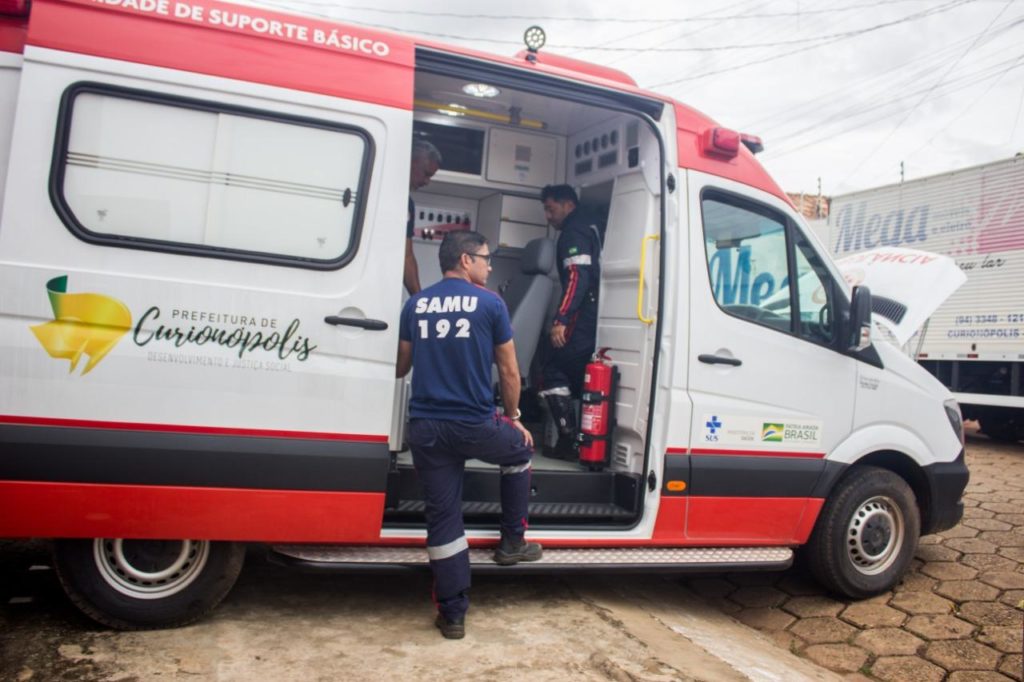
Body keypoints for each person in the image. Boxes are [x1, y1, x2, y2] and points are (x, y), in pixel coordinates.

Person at [396, 231, 543, 640]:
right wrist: (513, 416)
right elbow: (510, 371)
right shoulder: (492, 303)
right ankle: (512, 541)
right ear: (465, 260)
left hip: (425, 428)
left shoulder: (416, 304)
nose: (489, 265)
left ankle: (454, 614)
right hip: (475, 425)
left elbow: (401, 367)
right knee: (520, 451)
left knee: (444, 518)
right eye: (485, 258)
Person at [537, 184, 603, 458]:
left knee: (551, 368)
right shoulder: (589, 224)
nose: (548, 217)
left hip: (582, 314)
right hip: (591, 311)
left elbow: (578, 276)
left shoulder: (573, 231)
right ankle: (571, 439)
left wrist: (561, 319)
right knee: (568, 370)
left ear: (568, 204)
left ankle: (569, 442)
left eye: (551, 209)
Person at [404, 140, 442, 296]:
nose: (427, 181)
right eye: (426, 174)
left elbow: (406, 255)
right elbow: (405, 257)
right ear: (410, 162)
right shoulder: (398, 200)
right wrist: (419, 300)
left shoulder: (406, 203)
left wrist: (418, 299)